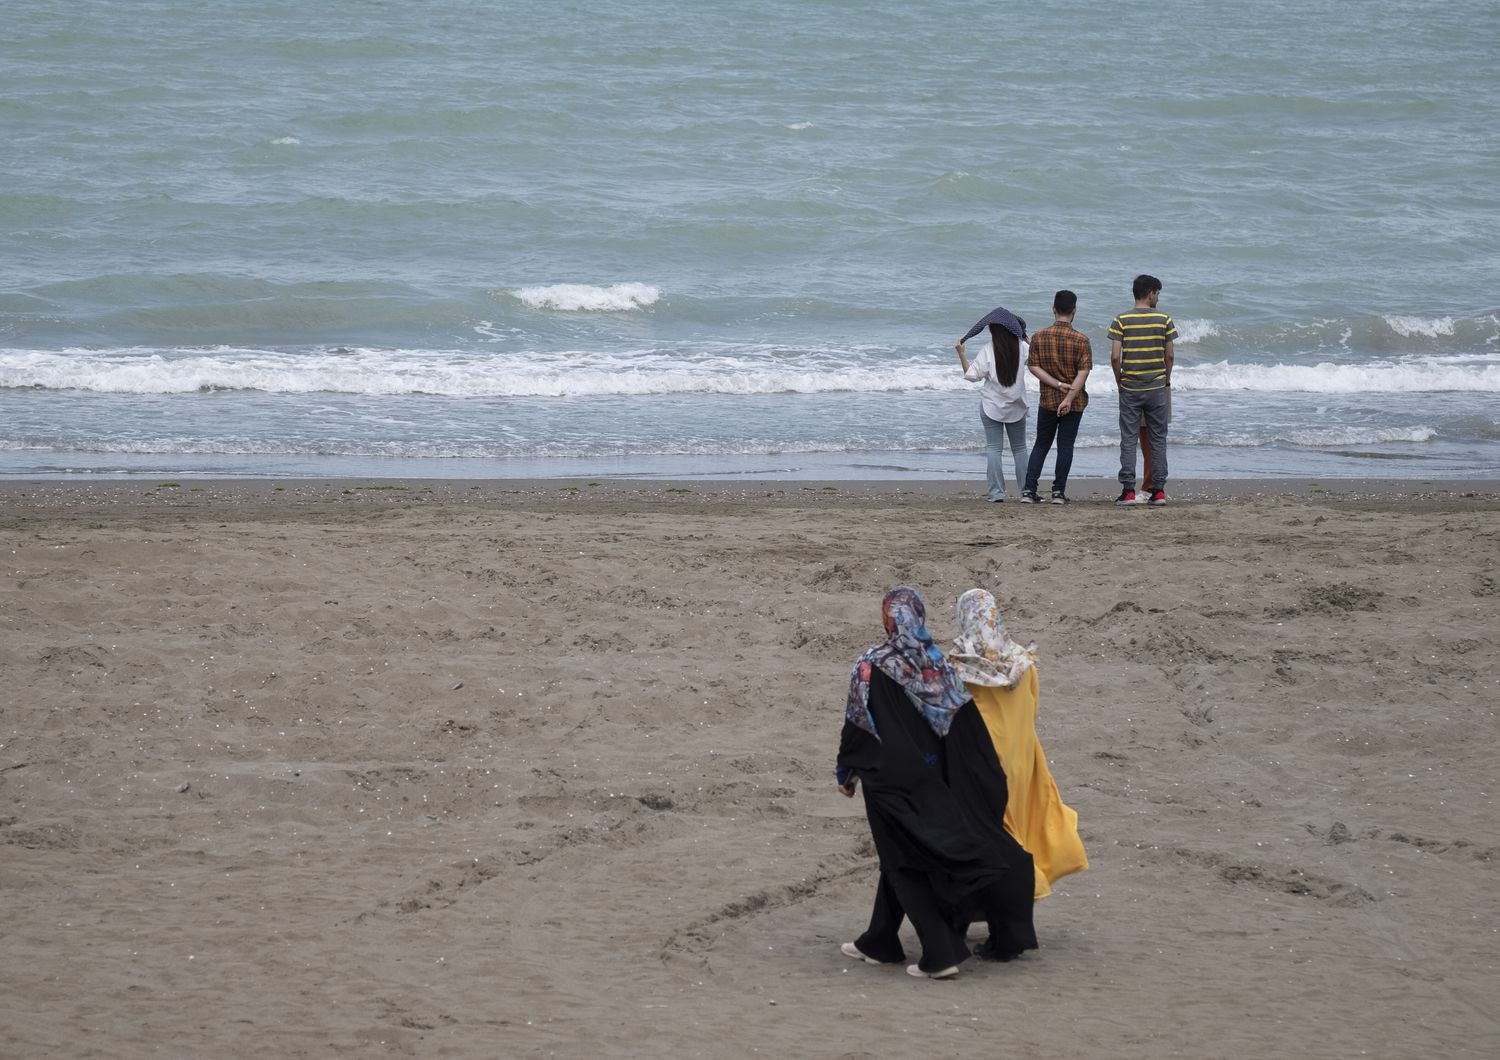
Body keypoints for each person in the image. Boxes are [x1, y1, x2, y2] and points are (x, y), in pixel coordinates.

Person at [837, 586, 1038, 979]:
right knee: (901, 854)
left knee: (902, 861)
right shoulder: (937, 665)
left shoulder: (870, 663)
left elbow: (858, 722)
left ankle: (940, 953)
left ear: (888, 619)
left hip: (889, 780)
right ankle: (879, 940)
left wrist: (847, 773)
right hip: (934, 779)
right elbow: (962, 727)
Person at [948, 589, 1088, 898]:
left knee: (994, 832)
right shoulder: (1024, 664)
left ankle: (1018, 893)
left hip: (983, 762)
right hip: (1022, 758)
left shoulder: (960, 670)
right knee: (1022, 824)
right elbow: (1032, 709)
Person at [1109, 275, 1177, 505]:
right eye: (1157, 293)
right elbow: (1169, 354)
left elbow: (1115, 357)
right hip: (1157, 387)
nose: (1157, 297)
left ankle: (1128, 491)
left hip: (1130, 386)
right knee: (1158, 439)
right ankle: (1158, 491)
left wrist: (1120, 381)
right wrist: (1165, 379)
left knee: (1128, 439)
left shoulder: (1121, 320)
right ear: (1150, 293)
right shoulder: (1164, 319)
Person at [1021, 290, 1093, 505]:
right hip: (1075, 402)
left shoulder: (1039, 336)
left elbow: (1033, 367)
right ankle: (1058, 492)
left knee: (1041, 445)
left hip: (1048, 400)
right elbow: (1083, 372)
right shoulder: (1081, 339)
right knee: (1065, 445)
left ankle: (1028, 490)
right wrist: (1069, 398)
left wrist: (1057, 385)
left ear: (1053, 308)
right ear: (1074, 310)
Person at [955, 307, 1029, 503]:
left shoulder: (987, 350)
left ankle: (996, 493)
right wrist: (1024, 336)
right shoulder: (1022, 347)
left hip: (991, 406)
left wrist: (961, 353)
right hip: (1017, 406)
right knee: (1020, 449)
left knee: (994, 449)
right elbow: (1038, 359)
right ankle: (1025, 492)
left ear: (992, 329)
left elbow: (971, 376)